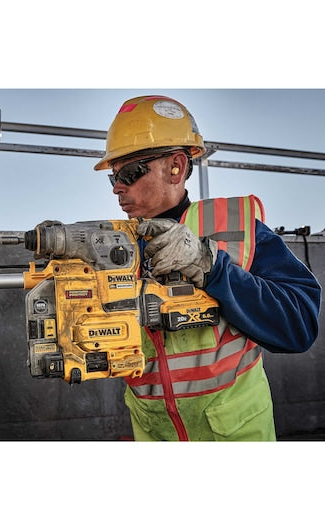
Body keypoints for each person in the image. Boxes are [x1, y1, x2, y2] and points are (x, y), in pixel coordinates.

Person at [94, 95, 321, 441]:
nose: (117, 188)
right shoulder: (115, 249)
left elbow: (299, 325)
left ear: (176, 166)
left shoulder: (236, 230)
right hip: (156, 437)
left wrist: (212, 267)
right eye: (113, 178)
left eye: (128, 173)